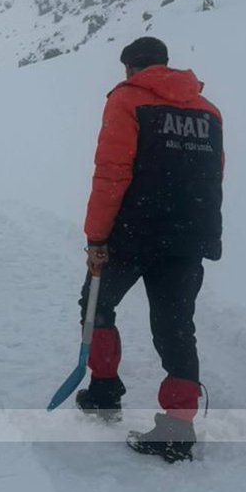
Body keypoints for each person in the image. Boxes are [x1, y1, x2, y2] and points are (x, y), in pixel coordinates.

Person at [74, 36, 224, 463]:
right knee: (177, 327)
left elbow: (111, 173)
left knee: (96, 305)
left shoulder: (128, 100)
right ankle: (179, 428)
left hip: (132, 233)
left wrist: (97, 238)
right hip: (187, 237)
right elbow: (214, 177)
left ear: (129, 69)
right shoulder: (208, 111)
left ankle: (104, 391)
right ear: (163, 63)